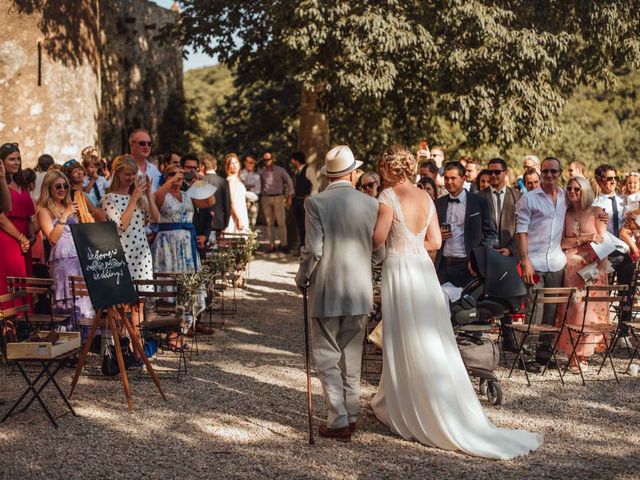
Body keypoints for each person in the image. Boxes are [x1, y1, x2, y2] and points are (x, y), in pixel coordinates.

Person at [370, 144, 542, 459]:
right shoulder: (425, 197)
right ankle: (426, 398)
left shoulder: (386, 198)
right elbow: (435, 242)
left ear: (387, 169)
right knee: (429, 336)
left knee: (403, 334)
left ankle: (406, 402)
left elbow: (378, 240)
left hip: (399, 270)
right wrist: (412, 243)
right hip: (422, 269)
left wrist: (376, 237)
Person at [295, 145, 378, 442]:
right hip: (359, 288)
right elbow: (375, 248)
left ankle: (338, 417)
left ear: (329, 175)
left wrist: (302, 277)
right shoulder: (370, 204)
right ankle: (351, 411)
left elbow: (314, 249)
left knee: (327, 355)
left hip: (328, 288)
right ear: (353, 172)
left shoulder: (315, 202)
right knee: (351, 353)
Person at [102, 155, 160, 360]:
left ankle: (139, 353)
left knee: (139, 306)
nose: (130, 178)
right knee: (122, 308)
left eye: (133, 174)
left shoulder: (139, 196)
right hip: (123, 254)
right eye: (127, 174)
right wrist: (133, 199)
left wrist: (149, 195)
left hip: (141, 253)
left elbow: (155, 217)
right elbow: (122, 225)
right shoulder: (108, 199)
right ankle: (122, 352)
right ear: (118, 173)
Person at [516, 157, 567, 368]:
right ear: (540, 173)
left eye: (553, 172)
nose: (549, 175)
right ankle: (526, 357)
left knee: (551, 312)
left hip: (556, 262)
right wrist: (525, 260)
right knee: (533, 311)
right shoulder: (529, 199)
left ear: (559, 173)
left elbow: (584, 206)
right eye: (545, 171)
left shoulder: (565, 196)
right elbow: (521, 232)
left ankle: (544, 355)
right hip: (534, 262)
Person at [555, 176, 609, 373]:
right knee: (573, 309)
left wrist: (601, 270)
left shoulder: (598, 213)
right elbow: (561, 242)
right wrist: (583, 238)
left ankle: (582, 355)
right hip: (571, 269)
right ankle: (572, 354)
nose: (572, 192)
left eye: (577, 189)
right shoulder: (564, 213)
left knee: (589, 312)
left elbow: (603, 243)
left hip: (592, 269)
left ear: (585, 190)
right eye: (569, 188)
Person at [152, 163, 207, 348]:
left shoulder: (187, 195)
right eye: (173, 173)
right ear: (166, 177)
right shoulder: (162, 194)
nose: (179, 176)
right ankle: (170, 332)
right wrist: (170, 181)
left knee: (186, 285)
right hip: (168, 246)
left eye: (181, 173)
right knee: (170, 286)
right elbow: (157, 199)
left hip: (186, 245)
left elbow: (209, 203)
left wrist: (199, 183)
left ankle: (182, 328)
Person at [36, 170, 94, 331]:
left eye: (65, 186)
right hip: (62, 261)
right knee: (66, 301)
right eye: (58, 186)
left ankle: (84, 342)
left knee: (83, 299)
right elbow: (52, 238)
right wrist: (65, 215)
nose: (63, 189)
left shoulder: (72, 203)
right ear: (49, 188)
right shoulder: (44, 210)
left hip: (79, 259)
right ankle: (67, 342)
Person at [478, 158, 522, 351]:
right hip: (486, 251)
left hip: (508, 251)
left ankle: (508, 336)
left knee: (508, 294)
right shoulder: (479, 196)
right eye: (491, 172)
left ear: (506, 173)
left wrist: (511, 249)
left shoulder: (517, 197)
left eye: (497, 172)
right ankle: (479, 335)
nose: (493, 175)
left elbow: (522, 228)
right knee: (483, 292)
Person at [592, 164, 635, 347]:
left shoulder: (623, 201)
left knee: (627, 289)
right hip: (605, 251)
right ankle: (601, 334)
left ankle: (623, 332)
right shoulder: (595, 204)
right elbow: (598, 232)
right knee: (603, 292)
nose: (613, 182)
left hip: (623, 251)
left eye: (615, 178)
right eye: (609, 179)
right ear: (599, 180)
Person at [434, 161, 497, 287]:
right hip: (443, 265)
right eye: (446, 178)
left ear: (463, 179)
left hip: (468, 266)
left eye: (453, 178)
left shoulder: (479, 201)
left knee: (466, 305)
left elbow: (490, 234)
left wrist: (477, 258)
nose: (449, 182)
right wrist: (437, 234)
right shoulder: (439, 203)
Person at [0, 143, 35, 296]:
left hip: (26, 240)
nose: (16, 163)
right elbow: (1, 216)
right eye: (11, 159)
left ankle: (23, 318)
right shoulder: (2, 183)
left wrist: (31, 234)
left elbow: (29, 214)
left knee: (23, 280)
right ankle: (11, 317)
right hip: (8, 237)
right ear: (1, 162)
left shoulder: (21, 183)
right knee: (12, 280)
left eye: (18, 159)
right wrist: (21, 238)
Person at [259, 151, 294, 252]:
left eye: (268, 159)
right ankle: (271, 245)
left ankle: (284, 245)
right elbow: (258, 185)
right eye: (265, 160)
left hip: (278, 198)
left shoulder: (280, 170)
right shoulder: (261, 172)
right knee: (269, 223)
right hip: (265, 198)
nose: (267, 161)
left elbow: (289, 181)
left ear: (272, 159)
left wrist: (289, 196)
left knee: (281, 222)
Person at [181, 154, 214, 256]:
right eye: (188, 167)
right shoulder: (177, 187)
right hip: (183, 240)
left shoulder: (200, 186)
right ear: (182, 168)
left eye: (195, 168)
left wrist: (205, 236)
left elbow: (208, 216)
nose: (192, 170)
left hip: (200, 242)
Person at [290, 151, 318, 248]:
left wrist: (311, 198)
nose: (292, 161)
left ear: (296, 160)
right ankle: (302, 245)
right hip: (298, 201)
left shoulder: (308, 170)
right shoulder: (296, 171)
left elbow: (315, 184)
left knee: (308, 224)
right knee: (300, 224)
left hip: (306, 201)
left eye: (293, 159)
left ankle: (309, 245)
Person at [202, 154, 231, 240]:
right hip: (218, 221)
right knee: (215, 250)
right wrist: (226, 223)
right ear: (216, 167)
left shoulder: (200, 181)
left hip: (202, 222)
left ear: (203, 167)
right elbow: (227, 205)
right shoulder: (223, 182)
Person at [129, 129, 161, 193]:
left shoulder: (154, 169)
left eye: (149, 143)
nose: (146, 147)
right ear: (132, 145)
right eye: (142, 143)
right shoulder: (122, 167)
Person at [224, 153, 250, 234]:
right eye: (232, 163)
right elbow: (231, 202)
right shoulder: (231, 180)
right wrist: (239, 219)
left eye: (236, 162)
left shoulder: (238, 179)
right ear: (228, 166)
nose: (235, 165)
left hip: (241, 212)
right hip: (235, 216)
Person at [239, 155, 261, 230]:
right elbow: (238, 189)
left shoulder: (257, 176)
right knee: (242, 221)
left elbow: (257, 190)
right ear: (245, 163)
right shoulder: (239, 174)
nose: (251, 164)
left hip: (253, 202)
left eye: (253, 163)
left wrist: (245, 186)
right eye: (250, 162)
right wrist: (249, 187)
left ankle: (251, 240)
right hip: (241, 202)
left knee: (253, 223)